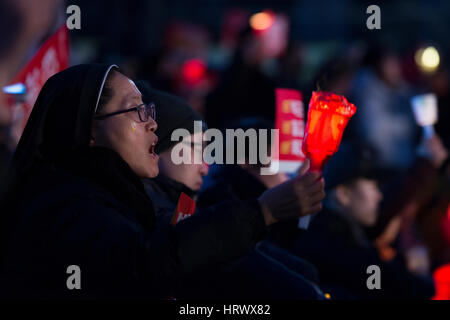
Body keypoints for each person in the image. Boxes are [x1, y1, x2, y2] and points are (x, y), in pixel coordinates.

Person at [0, 64, 324, 299]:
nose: (152, 123)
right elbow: (142, 266)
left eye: (149, 110)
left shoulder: (123, 197)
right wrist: (261, 212)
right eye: (136, 111)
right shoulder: (66, 204)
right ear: (90, 127)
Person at [138, 82, 324, 299]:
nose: (204, 165)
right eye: (195, 149)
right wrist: (265, 212)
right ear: (156, 147)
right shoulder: (151, 214)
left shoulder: (193, 204)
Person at [288, 142, 436, 299]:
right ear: (344, 194)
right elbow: (383, 284)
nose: (379, 196)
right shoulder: (338, 247)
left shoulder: (343, 237)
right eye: (372, 187)